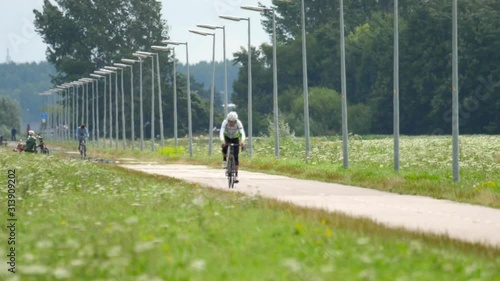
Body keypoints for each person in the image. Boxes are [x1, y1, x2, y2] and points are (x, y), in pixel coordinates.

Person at [220, 111, 246, 183]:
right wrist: (222, 141)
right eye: (230, 121)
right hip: (227, 137)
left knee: (236, 156)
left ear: (235, 120)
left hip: (235, 137)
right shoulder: (225, 122)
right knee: (225, 147)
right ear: (228, 120)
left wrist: (242, 141)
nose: (231, 123)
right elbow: (221, 131)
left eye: (233, 122)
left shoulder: (238, 122)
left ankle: (236, 175)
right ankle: (225, 160)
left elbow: (242, 133)